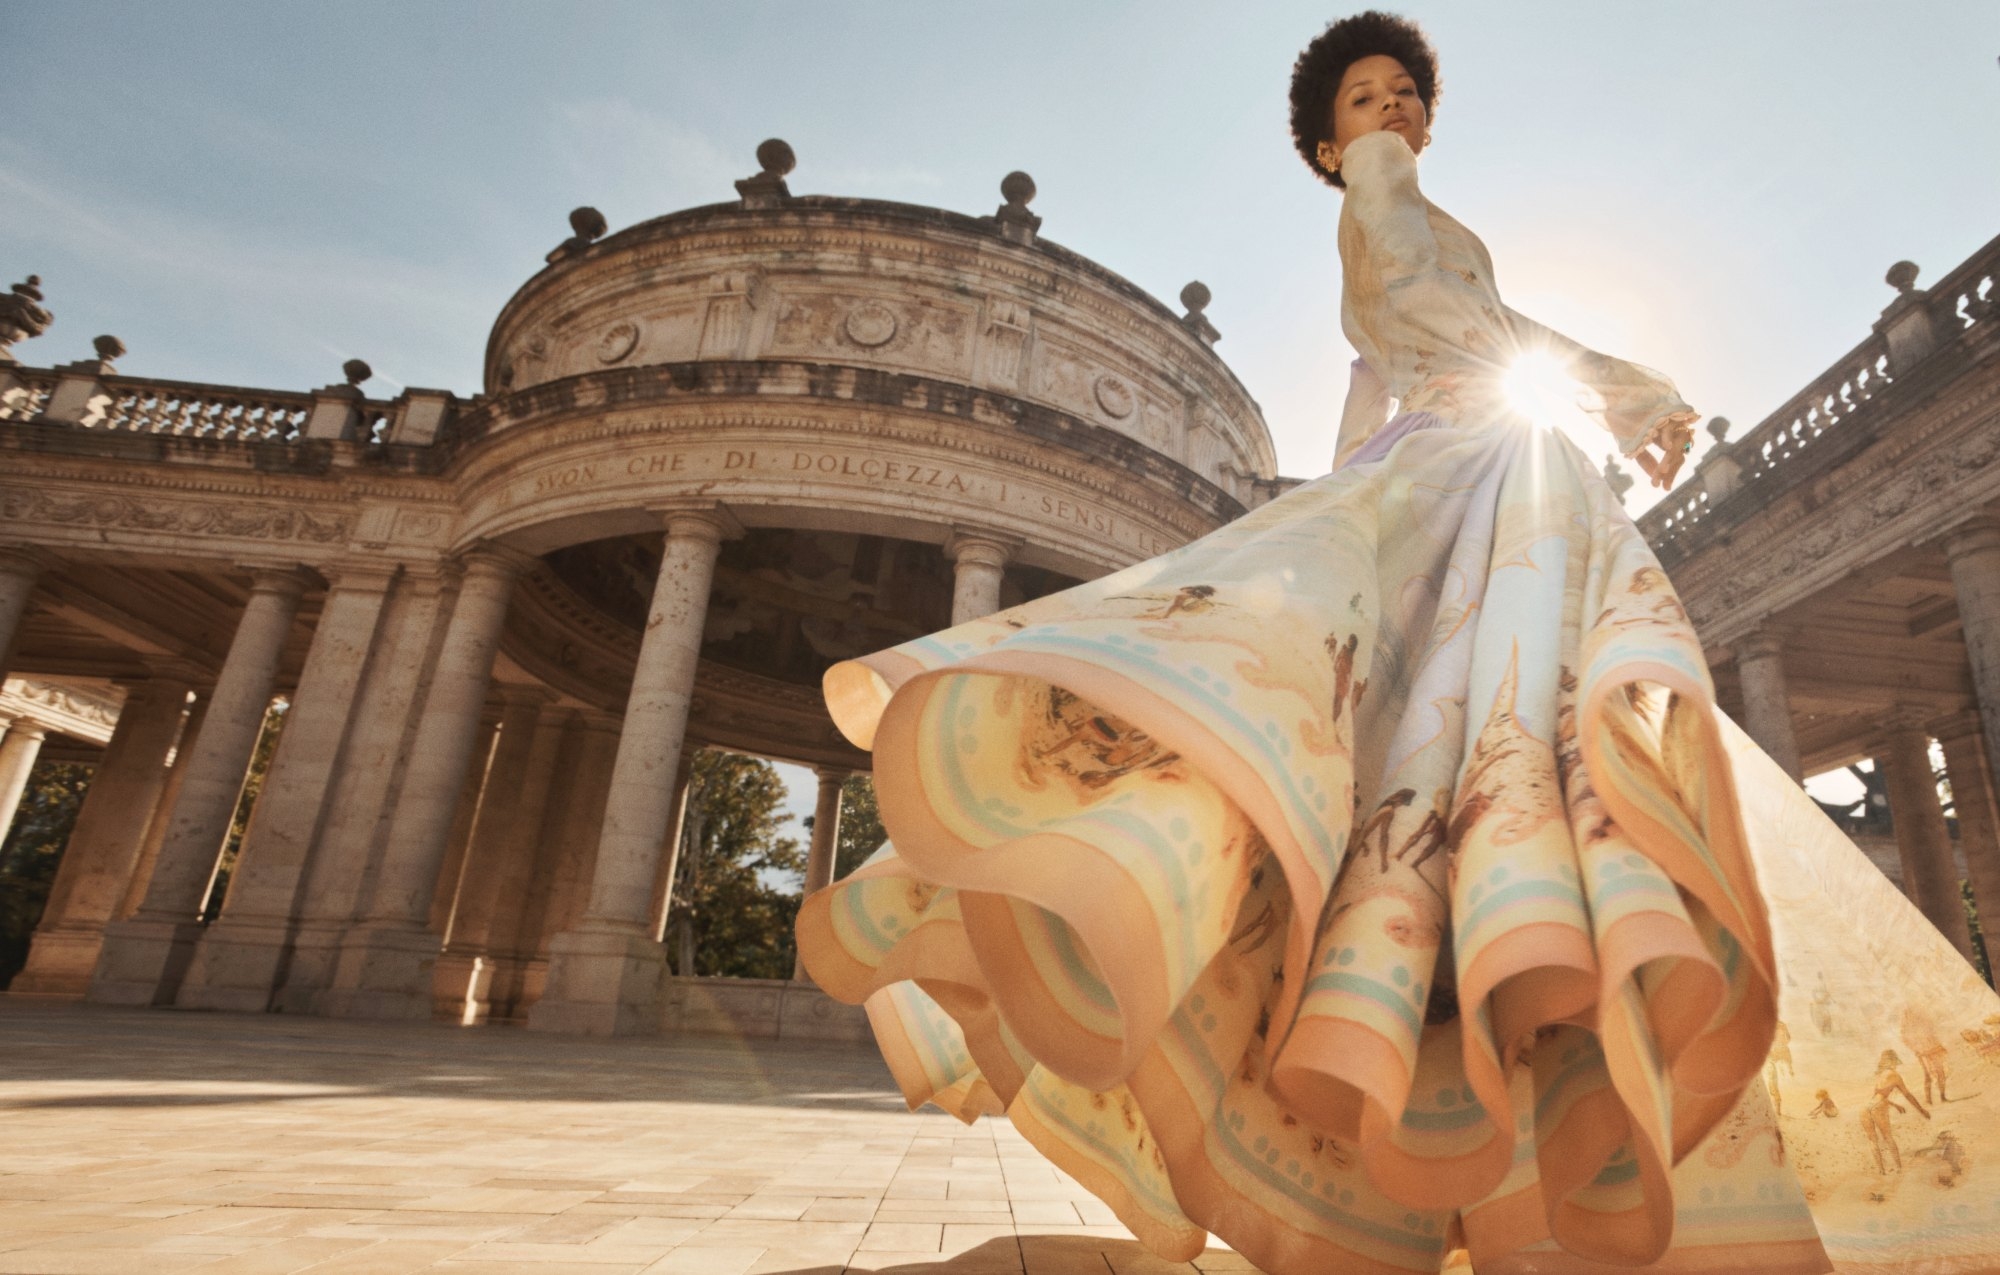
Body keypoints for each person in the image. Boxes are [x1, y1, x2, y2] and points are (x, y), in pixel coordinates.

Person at [796, 11, 2000, 1272]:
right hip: (1483, 470)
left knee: (1398, 774)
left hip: (1461, 467)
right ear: (1330, 141)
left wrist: (1388, 496)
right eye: (1365, 103)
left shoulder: (1392, 210)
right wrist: (1622, 389)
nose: (1392, 117)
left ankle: (1379, 1085)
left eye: (1403, 97)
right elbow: (1445, 317)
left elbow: (1384, 376)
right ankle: (1481, 1087)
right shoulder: (1379, 190)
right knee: (1506, 768)